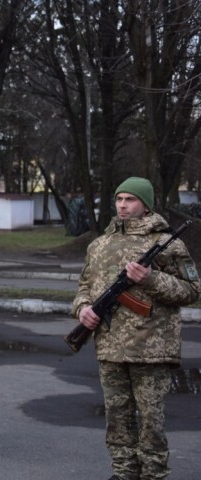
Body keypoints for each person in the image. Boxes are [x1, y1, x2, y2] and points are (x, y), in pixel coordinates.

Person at [71, 177, 200, 480]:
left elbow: (192, 290)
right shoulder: (99, 245)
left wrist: (151, 280)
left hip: (152, 347)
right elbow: (84, 287)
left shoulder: (169, 244)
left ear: (145, 204)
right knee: (117, 418)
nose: (123, 205)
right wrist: (83, 310)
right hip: (110, 346)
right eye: (119, 199)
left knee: (151, 422)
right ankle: (123, 471)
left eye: (130, 199)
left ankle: (154, 473)